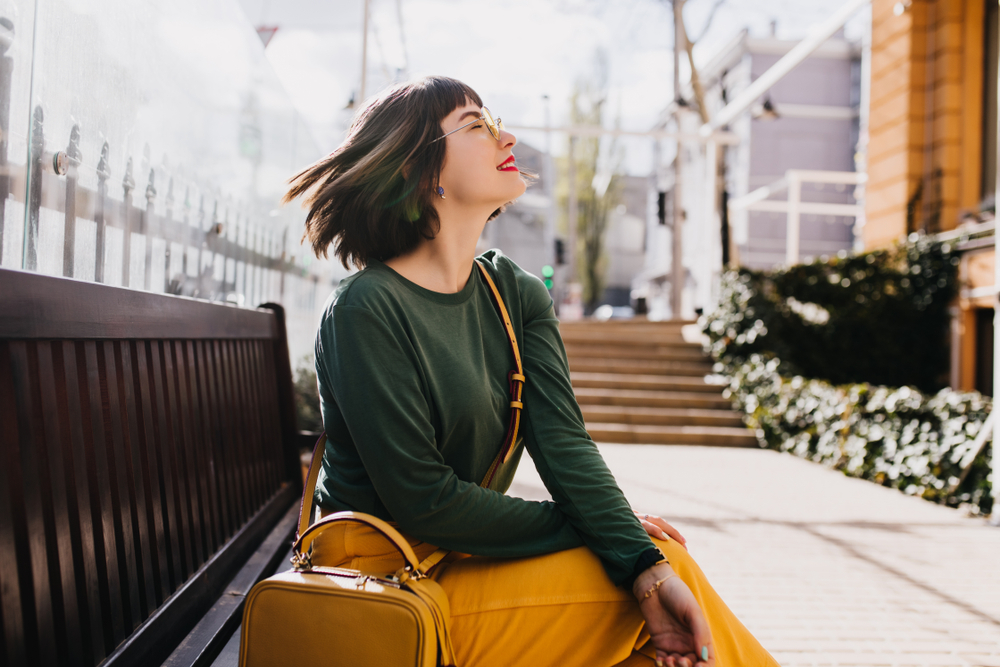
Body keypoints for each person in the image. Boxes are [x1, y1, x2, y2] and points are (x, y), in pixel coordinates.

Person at [284, 76, 780, 667]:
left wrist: (632, 552)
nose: (506, 135)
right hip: (381, 593)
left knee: (660, 584)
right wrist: (597, 529)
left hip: (461, 564)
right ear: (419, 171)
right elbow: (427, 501)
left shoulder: (513, 292)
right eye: (475, 125)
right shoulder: (366, 308)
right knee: (656, 584)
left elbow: (564, 444)